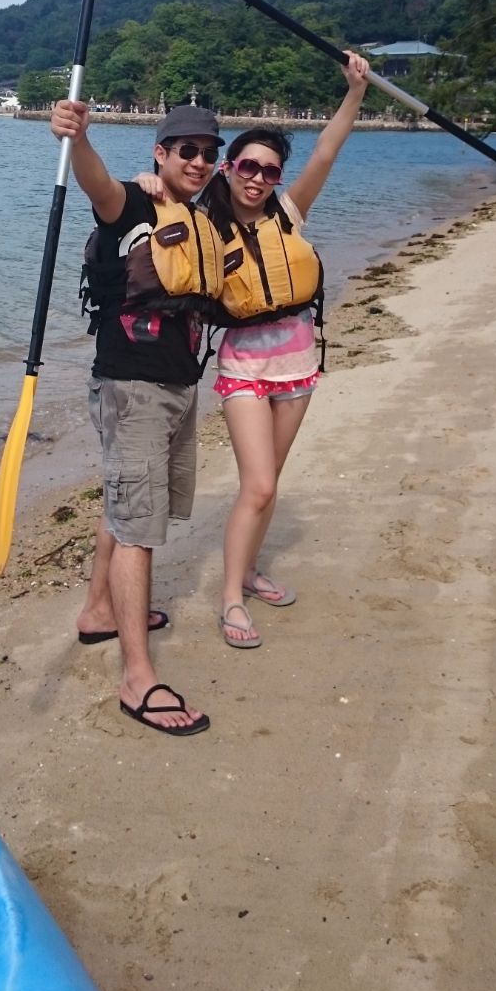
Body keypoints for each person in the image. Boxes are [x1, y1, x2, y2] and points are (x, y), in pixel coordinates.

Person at [135, 52, 369, 649]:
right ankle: (232, 599)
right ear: (229, 168)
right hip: (244, 367)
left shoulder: (289, 216)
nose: (258, 177)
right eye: (246, 165)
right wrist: (148, 184)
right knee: (259, 485)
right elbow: (159, 194)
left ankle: (248, 568)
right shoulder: (204, 222)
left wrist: (354, 94)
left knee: (270, 482)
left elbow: (326, 152)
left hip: (298, 362)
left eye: (270, 170)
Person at [50, 98, 224, 734]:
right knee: (138, 529)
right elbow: (95, 181)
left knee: (127, 510)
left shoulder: (198, 213)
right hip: (133, 388)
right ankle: (137, 677)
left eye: (210, 153)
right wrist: (80, 135)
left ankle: (98, 610)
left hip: (177, 386)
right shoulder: (132, 201)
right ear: (161, 152)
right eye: (187, 151)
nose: (200, 162)